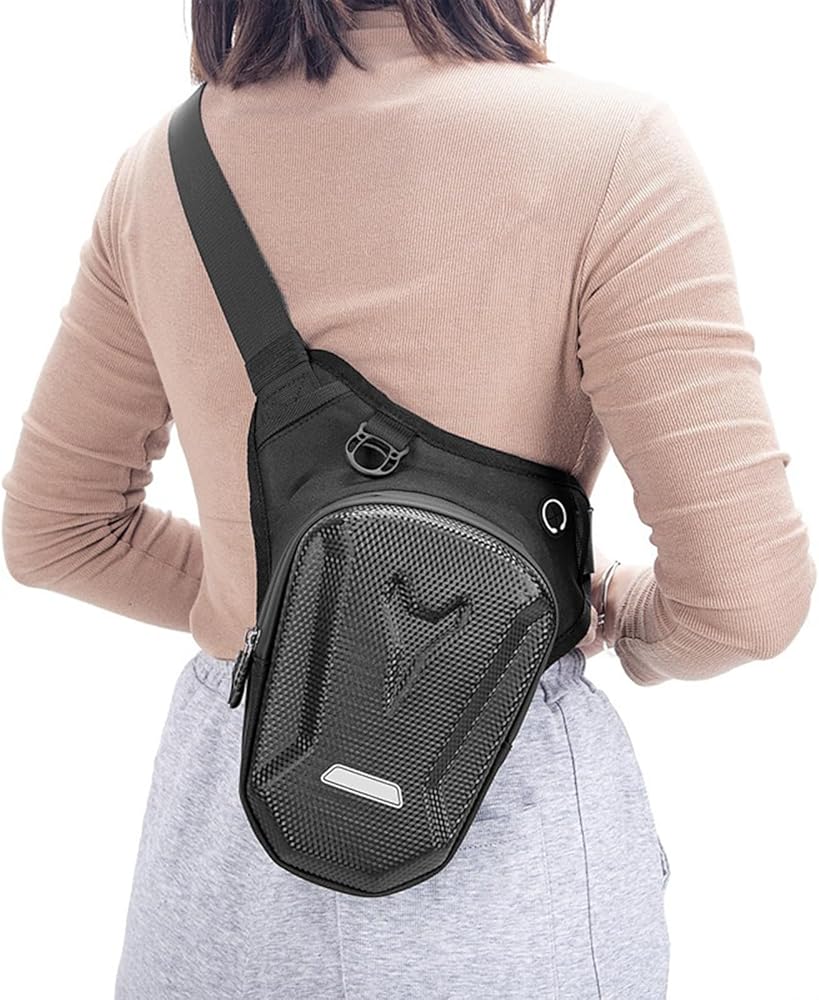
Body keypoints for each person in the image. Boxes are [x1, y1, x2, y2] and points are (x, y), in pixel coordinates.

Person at [2, 1, 814, 997]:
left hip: (227, 838)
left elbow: (58, 530)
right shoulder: (610, 150)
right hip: (501, 807)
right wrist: (610, 609)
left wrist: (271, 613)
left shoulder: (162, 171)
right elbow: (745, 603)